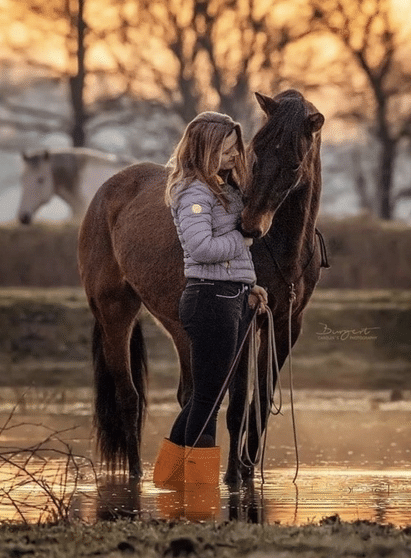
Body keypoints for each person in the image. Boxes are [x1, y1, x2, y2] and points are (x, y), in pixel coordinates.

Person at [153, 111, 268, 487]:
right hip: (210, 300)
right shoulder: (193, 192)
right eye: (226, 151)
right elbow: (202, 248)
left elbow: (227, 254)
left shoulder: (221, 188)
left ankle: (175, 479)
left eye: (236, 151)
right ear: (204, 149)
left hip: (229, 296)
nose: (234, 158)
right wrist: (245, 238)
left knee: (208, 397)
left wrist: (248, 285)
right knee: (207, 399)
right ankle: (187, 481)